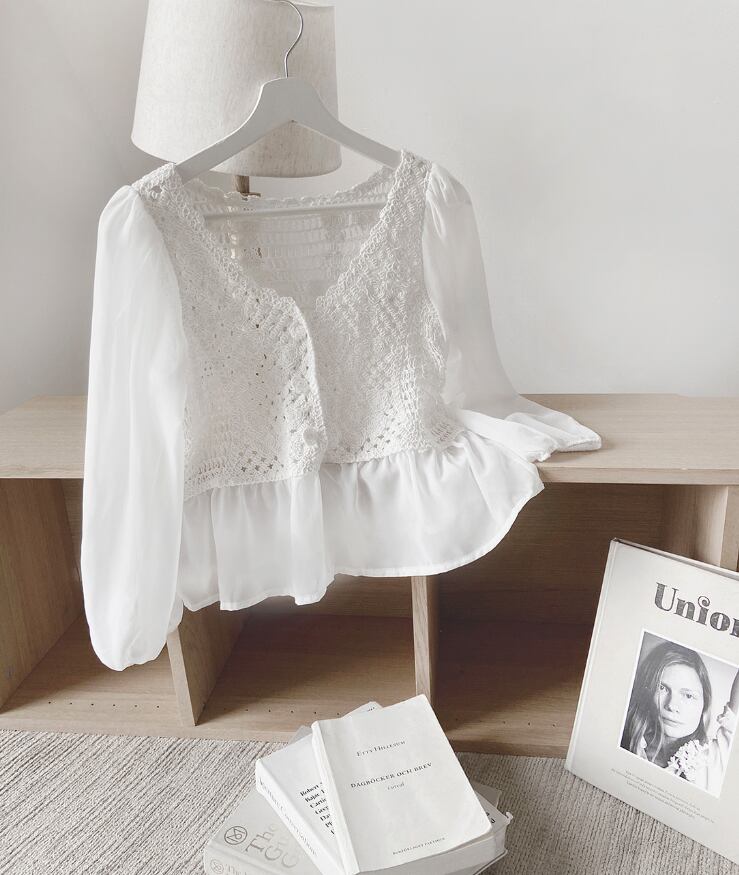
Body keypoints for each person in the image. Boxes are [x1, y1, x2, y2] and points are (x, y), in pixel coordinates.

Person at [620, 640, 738, 794]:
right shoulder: (621, 738)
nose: (672, 706)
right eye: (662, 688)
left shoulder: (715, 761)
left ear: (704, 705)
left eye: (688, 696)